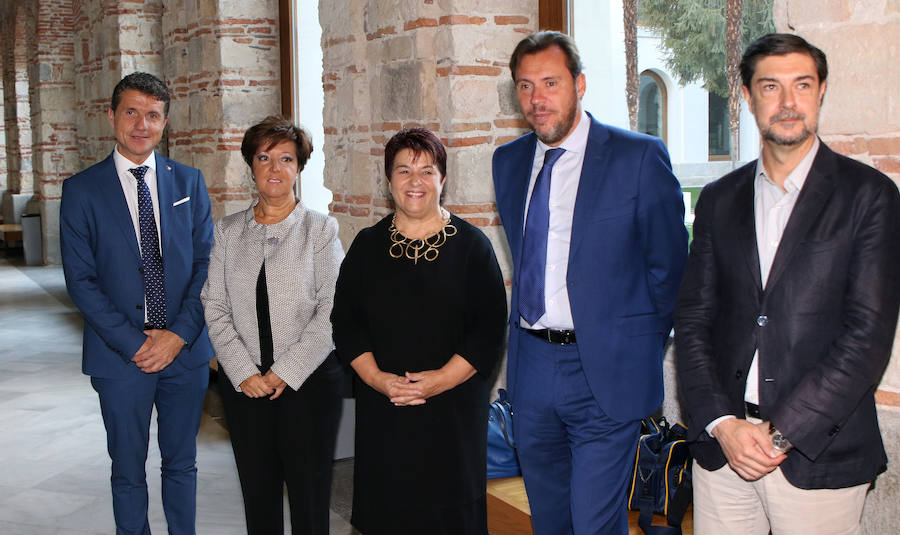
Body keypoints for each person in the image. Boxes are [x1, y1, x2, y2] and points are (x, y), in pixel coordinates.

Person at [675, 33, 900, 534]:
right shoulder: (718, 199)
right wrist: (720, 424)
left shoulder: (869, 197)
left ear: (821, 91)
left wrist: (781, 435)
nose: (788, 102)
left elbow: (867, 338)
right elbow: (693, 322)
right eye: (770, 86)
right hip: (723, 450)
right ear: (748, 98)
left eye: (802, 84)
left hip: (817, 453)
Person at [492, 31, 688, 534]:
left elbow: (670, 270)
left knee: (595, 522)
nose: (538, 99)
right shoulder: (509, 162)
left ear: (579, 84)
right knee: (551, 519)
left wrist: (636, 347)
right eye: (526, 86)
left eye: (551, 83)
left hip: (605, 371)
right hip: (532, 367)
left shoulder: (638, 157)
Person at [331, 127, 507, 535]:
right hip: (384, 409)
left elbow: (488, 329)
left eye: (427, 171)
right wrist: (378, 380)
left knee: (450, 517)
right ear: (388, 180)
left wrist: (439, 381)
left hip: (453, 412)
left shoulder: (473, 247)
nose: (416, 181)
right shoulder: (367, 246)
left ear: (443, 179)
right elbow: (346, 322)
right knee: (388, 514)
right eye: (404, 170)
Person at [60, 72, 214, 534]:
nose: (141, 124)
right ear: (112, 116)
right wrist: (136, 343)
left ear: (164, 123)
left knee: (181, 465)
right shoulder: (82, 190)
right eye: (131, 112)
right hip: (118, 357)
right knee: (127, 471)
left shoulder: (189, 181)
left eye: (152, 115)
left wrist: (178, 336)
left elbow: (208, 265)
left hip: (184, 354)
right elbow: (82, 281)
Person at [200, 116, 345, 534]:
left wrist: (286, 371)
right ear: (251, 165)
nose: (275, 168)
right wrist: (244, 372)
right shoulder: (227, 232)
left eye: (286, 158)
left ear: (299, 167)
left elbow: (332, 311)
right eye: (264, 158)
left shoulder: (320, 230)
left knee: (310, 500)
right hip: (246, 389)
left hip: (310, 386)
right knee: (258, 498)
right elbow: (215, 305)